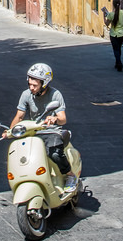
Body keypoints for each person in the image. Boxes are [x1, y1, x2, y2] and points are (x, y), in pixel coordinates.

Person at [8, 63, 77, 193]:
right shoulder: (26, 94)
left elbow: (63, 119)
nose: (31, 88)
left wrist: (54, 119)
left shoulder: (55, 95)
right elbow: (20, 116)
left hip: (52, 132)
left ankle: (70, 176)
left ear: (44, 84)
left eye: (35, 85)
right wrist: (11, 131)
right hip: (33, 131)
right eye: (29, 84)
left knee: (55, 154)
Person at [102, 0, 123, 71]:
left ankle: (119, 63)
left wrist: (104, 16)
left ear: (113, 5)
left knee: (115, 49)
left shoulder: (110, 14)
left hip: (114, 34)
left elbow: (107, 23)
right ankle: (117, 63)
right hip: (122, 34)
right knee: (119, 48)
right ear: (119, 4)